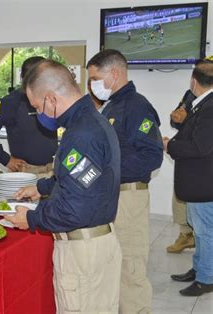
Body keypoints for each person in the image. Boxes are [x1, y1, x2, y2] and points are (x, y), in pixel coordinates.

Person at [6, 59, 122, 312]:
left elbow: (74, 209)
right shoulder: (90, 120)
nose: (39, 114)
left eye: (37, 107)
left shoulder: (81, 135)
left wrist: (33, 218)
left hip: (82, 252)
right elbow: (85, 179)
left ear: (50, 99)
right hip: (96, 244)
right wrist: (43, 188)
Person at [87, 49, 163, 313]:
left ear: (115, 73)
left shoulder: (137, 106)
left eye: (96, 78)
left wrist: (105, 170)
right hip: (111, 196)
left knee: (130, 269)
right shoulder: (112, 105)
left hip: (128, 198)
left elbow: (151, 157)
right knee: (113, 266)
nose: (93, 84)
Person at [165, 60, 213, 297]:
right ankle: (199, 269)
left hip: (204, 183)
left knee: (205, 232)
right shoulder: (200, 103)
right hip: (198, 183)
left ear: (194, 81)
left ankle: (207, 278)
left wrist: (169, 145)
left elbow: (200, 147)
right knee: (199, 230)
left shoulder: (210, 107)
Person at [0, 56, 57, 178]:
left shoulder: (50, 99)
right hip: (26, 173)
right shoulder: (12, 102)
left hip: (52, 171)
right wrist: (5, 159)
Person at [167, 90, 196, 254]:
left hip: (204, 153)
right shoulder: (190, 93)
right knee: (180, 193)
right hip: (186, 150)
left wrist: (188, 119)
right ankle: (185, 235)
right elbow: (179, 119)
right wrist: (176, 119)